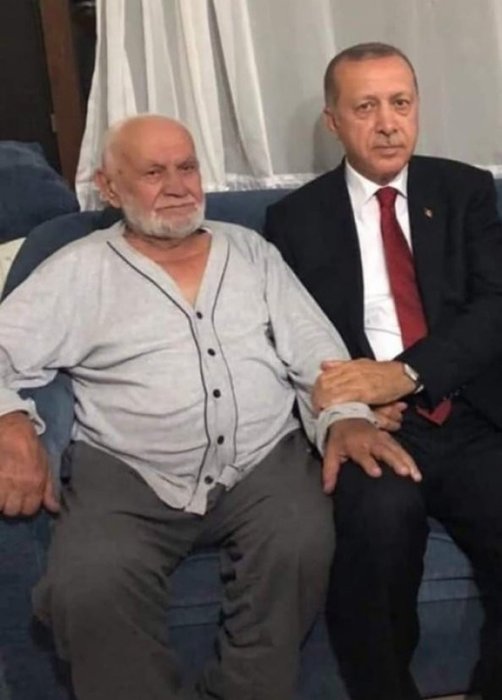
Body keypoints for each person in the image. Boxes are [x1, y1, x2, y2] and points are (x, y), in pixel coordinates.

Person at [0, 115, 416, 700]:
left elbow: (313, 350)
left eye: (187, 168)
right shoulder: (77, 268)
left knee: (300, 544)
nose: (177, 186)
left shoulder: (251, 251)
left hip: (265, 461)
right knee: (87, 585)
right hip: (129, 471)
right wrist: (10, 420)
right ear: (110, 187)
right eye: (153, 172)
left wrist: (345, 417)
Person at [265, 42, 502, 700]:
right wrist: (354, 405)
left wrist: (406, 374)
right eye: (366, 107)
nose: (389, 123)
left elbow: (495, 305)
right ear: (333, 122)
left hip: (467, 410)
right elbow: (291, 336)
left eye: (401, 103)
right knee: (379, 526)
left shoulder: (464, 191)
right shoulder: (294, 220)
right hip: (374, 427)